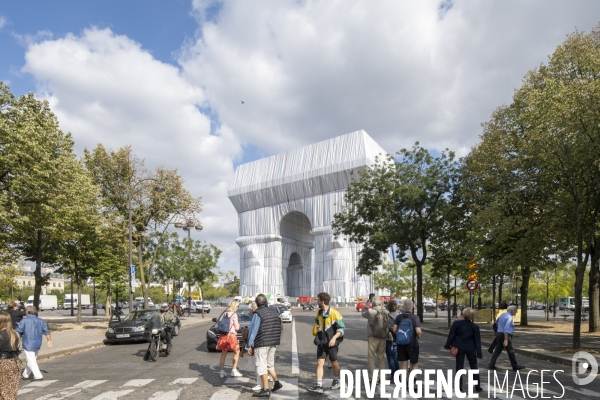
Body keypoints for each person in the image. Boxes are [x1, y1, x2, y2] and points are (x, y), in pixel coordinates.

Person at [245, 294, 283, 397]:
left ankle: (265, 389)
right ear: (266, 302)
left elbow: (253, 331)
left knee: (261, 365)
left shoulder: (258, 313)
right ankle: (277, 382)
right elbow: (280, 326)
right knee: (269, 365)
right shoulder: (274, 312)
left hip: (261, 342)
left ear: (257, 303)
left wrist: (249, 346)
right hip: (273, 342)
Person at [308, 292, 345, 394]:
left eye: (318, 300)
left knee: (334, 362)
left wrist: (333, 339)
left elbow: (341, 329)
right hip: (321, 342)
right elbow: (316, 324)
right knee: (319, 363)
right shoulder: (318, 313)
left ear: (322, 301)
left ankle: (336, 380)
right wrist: (317, 329)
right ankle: (319, 385)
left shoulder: (335, 314)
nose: (317, 301)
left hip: (332, 343)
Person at [444, 308, 483, 393]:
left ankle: (459, 387)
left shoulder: (456, 323)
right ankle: (477, 386)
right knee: (474, 366)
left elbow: (451, 335)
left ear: (463, 314)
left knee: (459, 367)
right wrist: (479, 352)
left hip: (459, 347)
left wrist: (447, 345)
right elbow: (477, 340)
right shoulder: (475, 326)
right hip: (471, 348)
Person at [15, 306, 52, 381]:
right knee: (31, 360)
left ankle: (38, 376)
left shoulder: (24, 321)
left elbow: (17, 331)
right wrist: (49, 340)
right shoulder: (41, 321)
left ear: (27, 312)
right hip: (37, 343)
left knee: (31, 360)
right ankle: (26, 374)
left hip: (28, 343)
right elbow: (47, 332)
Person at [488, 305, 525, 371]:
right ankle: (514, 365)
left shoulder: (503, 315)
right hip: (504, 335)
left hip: (499, 333)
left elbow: (496, 323)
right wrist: (506, 339)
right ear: (511, 310)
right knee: (510, 350)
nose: (516, 312)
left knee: (498, 349)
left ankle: (491, 364)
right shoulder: (509, 317)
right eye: (515, 310)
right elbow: (506, 329)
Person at [362, 296, 388, 382]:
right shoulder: (386, 312)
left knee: (371, 357)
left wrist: (366, 304)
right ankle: (382, 377)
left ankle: (373, 377)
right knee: (381, 357)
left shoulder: (371, 312)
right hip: (383, 336)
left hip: (373, 336)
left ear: (373, 303)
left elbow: (363, 313)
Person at [393, 299, 421, 373]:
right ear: (412, 307)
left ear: (403, 307)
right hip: (412, 344)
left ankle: (404, 383)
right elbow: (418, 330)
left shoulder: (399, 317)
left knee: (404, 363)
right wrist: (419, 334)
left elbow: (394, 329)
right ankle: (413, 381)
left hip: (401, 344)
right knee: (414, 363)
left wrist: (400, 336)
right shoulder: (415, 317)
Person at [0, 311, 23, 400]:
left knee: (4, 390)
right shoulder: (15, 334)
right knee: (11, 389)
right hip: (14, 362)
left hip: (2, 363)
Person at [218, 300, 243, 378]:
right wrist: (239, 325)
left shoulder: (225, 314)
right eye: (237, 306)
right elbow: (237, 327)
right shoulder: (234, 314)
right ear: (234, 306)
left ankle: (222, 372)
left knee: (223, 354)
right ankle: (234, 370)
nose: (238, 307)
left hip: (223, 335)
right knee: (237, 352)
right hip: (231, 336)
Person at [385, 300, 400, 377]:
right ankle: (398, 374)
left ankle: (393, 375)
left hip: (389, 338)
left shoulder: (387, 316)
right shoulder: (400, 315)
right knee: (396, 357)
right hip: (399, 338)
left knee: (390, 357)